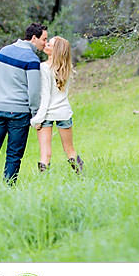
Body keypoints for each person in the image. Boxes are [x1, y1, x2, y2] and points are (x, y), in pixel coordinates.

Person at [0, 23, 47, 184]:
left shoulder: (3, 51)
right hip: (19, 113)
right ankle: (8, 187)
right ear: (34, 38)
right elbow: (34, 92)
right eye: (44, 39)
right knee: (14, 154)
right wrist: (35, 113)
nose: (45, 43)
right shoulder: (32, 59)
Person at [31, 36, 84, 174]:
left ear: (56, 51)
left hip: (47, 113)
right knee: (70, 149)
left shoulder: (43, 67)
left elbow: (45, 96)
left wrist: (37, 119)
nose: (46, 45)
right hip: (63, 112)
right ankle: (81, 175)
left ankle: (44, 182)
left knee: (45, 154)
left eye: (50, 44)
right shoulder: (67, 68)